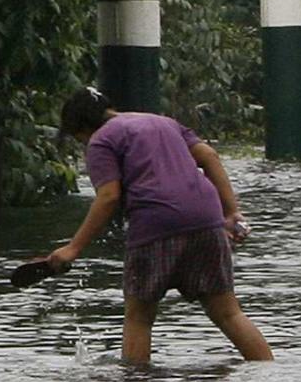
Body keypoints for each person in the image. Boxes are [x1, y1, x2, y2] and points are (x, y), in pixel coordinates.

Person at [42, 88, 274, 365]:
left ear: (81, 128)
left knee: (139, 317)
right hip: (207, 219)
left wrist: (73, 248)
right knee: (228, 313)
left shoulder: (101, 141)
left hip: (155, 225)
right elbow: (210, 156)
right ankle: (267, 373)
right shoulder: (163, 122)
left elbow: (109, 197)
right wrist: (232, 211)